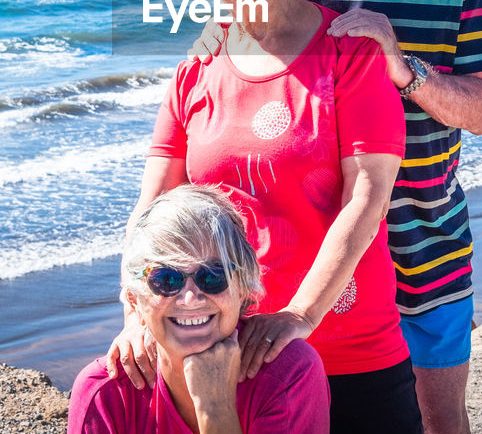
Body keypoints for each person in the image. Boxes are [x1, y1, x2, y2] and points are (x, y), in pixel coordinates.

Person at [109, 0, 424, 433]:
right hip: (232, 360)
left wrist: (298, 316)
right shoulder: (192, 74)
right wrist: (136, 312)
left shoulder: (350, 53)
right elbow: (151, 213)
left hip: (352, 354)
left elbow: (368, 197)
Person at [277, 0, 482, 434]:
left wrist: (404, 67)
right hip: (312, 247)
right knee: (306, 418)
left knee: (440, 422)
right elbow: (231, 79)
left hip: (424, 242)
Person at [68, 185, 329, 433]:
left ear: (243, 289)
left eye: (213, 276)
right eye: (166, 279)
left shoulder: (287, 373)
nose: (190, 298)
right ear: (135, 299)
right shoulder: (105, 392)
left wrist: (215, 408)